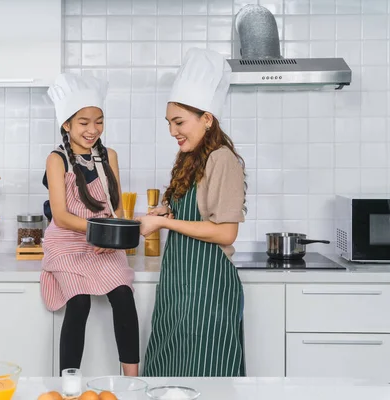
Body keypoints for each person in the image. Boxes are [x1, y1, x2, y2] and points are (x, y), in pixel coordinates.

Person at [136, 48, 247, 377]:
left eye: (179, 121)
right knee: (168, 368)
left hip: (207, 289)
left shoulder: (222, 159)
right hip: (180, 284)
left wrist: (159, 222)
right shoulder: (191, 157)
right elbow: (194, 210)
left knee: (205, 372)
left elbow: (225, 232)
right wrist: (165, 212)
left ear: (207, 118)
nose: (173, 131)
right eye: (169, 123)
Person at [40, 73, 140, 376]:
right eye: (83, 123)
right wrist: (98, 233)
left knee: (123, 295)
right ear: (66, 125)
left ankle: (133, 381)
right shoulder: (57, 159)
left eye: (99, 121)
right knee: (80, 302)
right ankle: (67, 386)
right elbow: (61, 216)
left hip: (103, 244)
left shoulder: (109, 156)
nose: (92, 129)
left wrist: (111, 238)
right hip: (68, 244)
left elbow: (117, 207)